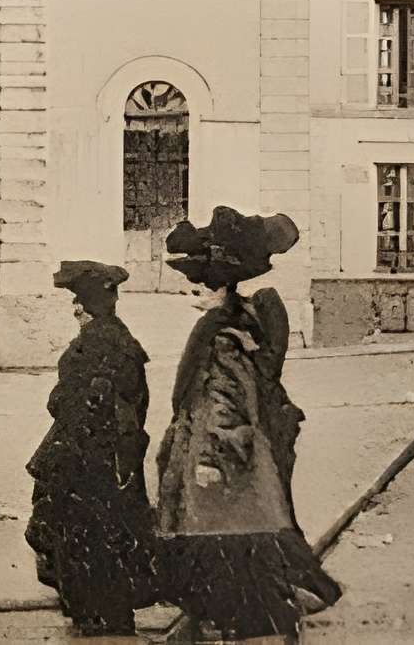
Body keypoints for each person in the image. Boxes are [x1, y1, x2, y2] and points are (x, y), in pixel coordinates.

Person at [155, 209, 314, 643]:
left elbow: (226, 402)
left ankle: (247, 621)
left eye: (198, 288)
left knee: (226, 540)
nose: (193, 296)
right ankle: (231, 617)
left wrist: (211, 458)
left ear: (218, 288)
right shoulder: (239, 322)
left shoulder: (223, 336)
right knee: (236, 539)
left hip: (220, 455)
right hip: (233, 451)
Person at [27, 259, 157, 637]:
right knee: (110, 534)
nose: (74, 310)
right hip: (113, 458)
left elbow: (67, 402)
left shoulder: (93, 345)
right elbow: (136, 401)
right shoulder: (124, 342)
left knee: (85, 534)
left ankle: (94, 615)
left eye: (78, 303)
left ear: (88, 307)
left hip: (87, 458)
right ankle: (110, 614)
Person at [242, 258, 341, 615]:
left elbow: (272, 359)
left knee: (275, 514)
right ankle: (306, 586)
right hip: (266, 425)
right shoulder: (250, 304)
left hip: (270, 426)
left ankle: (301, 588)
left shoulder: (266, 300)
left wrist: (245, 351)